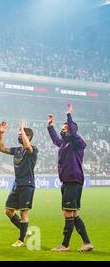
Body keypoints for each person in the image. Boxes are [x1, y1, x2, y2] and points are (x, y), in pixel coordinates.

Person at [48, 104, 93, 252]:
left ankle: (65, 245)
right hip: (67, 182)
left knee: (68, 213)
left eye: (65, 127)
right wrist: (50, 127)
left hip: (73, 181)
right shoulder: (65, 144)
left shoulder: (77, 143)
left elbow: (73, 133)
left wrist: (69, 115)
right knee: (72, 214)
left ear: (72, 130)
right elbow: (56, 140)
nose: (63, 129)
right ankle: (87, 243)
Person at [0, 119, 37, 247]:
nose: (19, 137)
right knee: (8, 210)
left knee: (23, 212)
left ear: (28, 136)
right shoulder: (17, 150)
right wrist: (1, 134)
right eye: (19, 135)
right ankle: (24, 230)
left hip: (27, 184)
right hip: (17, 184)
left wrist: (22, 127)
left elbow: (27, 146)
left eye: (21, 135)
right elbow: (1, 148)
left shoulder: (33, 150)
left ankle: (21, 240)